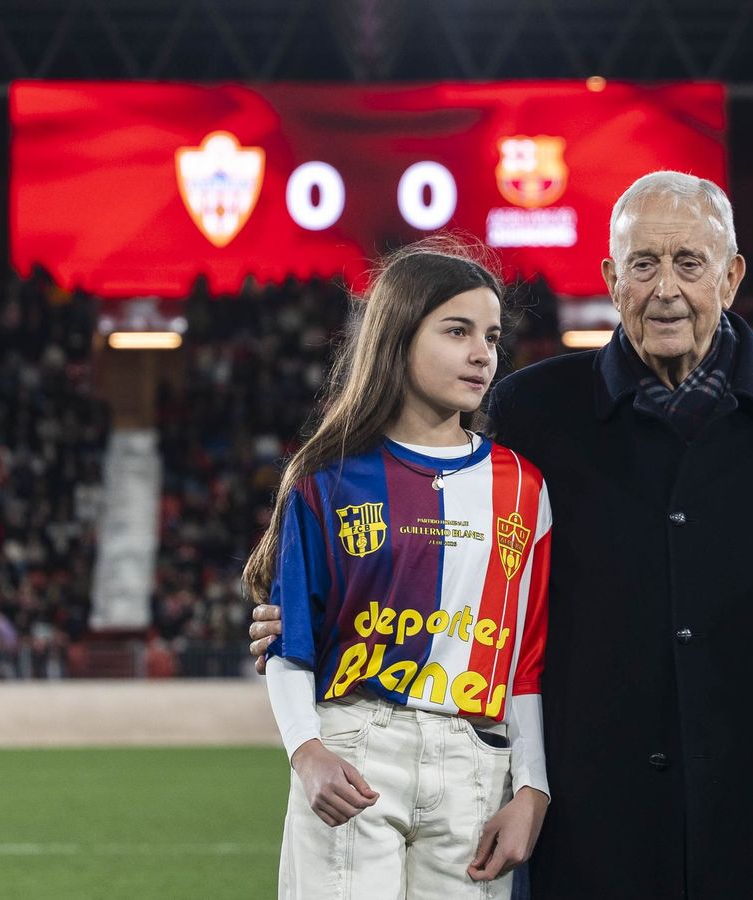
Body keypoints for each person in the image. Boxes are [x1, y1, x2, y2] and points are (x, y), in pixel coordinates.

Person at [251, 171, 753, 899]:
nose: (666, 288)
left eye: (690, 262)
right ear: (610, 279)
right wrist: (309, 617)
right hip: (590, 826)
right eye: (643, 264)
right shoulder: (532, 411)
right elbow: (440, 537)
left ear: (733, 275)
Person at [246, 241, 552, 899]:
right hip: (355, 746)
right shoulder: (324, 479)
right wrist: (308, 752)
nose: (482, 353)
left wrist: (532, 786)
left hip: (476, 762)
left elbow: (524, 661)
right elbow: (288, 645)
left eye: (492, 336)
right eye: (457, 331)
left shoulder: (524, 487)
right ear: (398, 337)